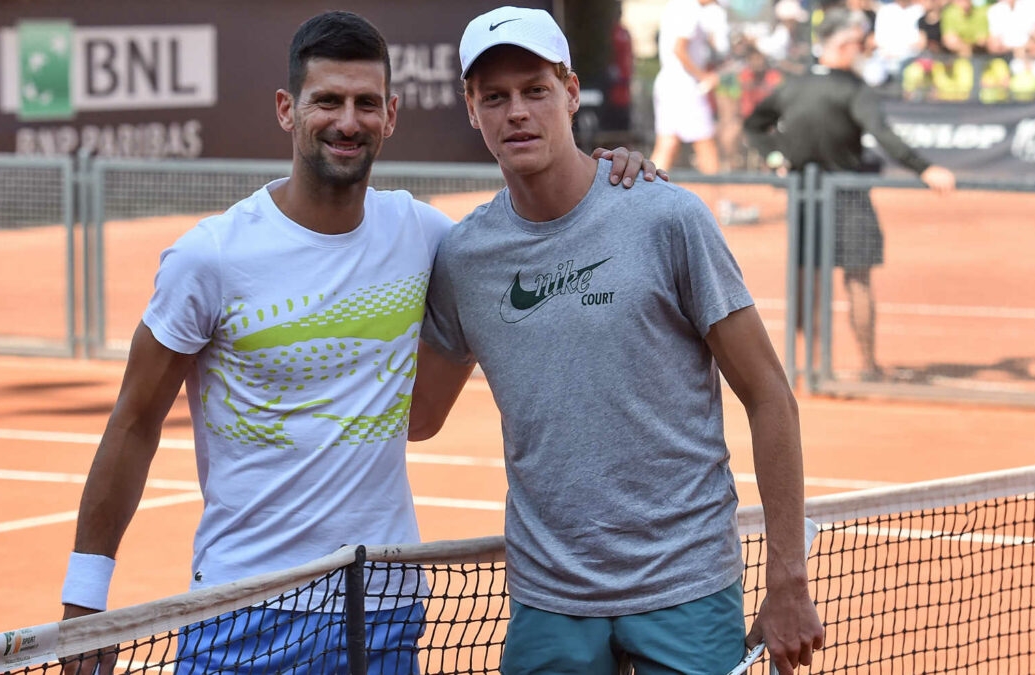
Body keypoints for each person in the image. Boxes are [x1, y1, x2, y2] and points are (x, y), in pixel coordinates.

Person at [57, 10, 663, 675]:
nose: (348, 121)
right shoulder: (211, 257)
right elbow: (135, 421)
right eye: (329, 101)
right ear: (288, 109)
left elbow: (536, 228)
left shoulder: (429, 239)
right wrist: (86, 602)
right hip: (241, 609)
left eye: (366, 103)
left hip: (378, 607)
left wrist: (612, 178)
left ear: (392, 114)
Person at [411, 6, 823, 674]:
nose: (516, 111)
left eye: (535, 90)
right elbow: (418, 415)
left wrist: (787, 579)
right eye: (495, 96)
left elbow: (770, 394)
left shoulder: (668, 217)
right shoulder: (465, 258)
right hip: (550, 602)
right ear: (470, 108)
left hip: (686, 587)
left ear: (571, 93)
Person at [743, 8, 957, 381]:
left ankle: (808, 365)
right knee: (857, 279)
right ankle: (868, 365)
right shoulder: (853, 88)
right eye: (859, 43)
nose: (864, 47)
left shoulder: (794, 86)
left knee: (806, 278)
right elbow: (885, 135)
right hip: (848, 196)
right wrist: (925, 167)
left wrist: (776, 156)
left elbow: (755, 124)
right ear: (841, 45)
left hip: (805, 196)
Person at [651, 0, 726, 173]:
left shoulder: (680, 5)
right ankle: (715, 198)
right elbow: (679, 49)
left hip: (671, 84)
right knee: (705, 144)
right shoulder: (689, 8)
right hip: (684, 87)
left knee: (667, 144)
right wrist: (704, 77)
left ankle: (643, 196)